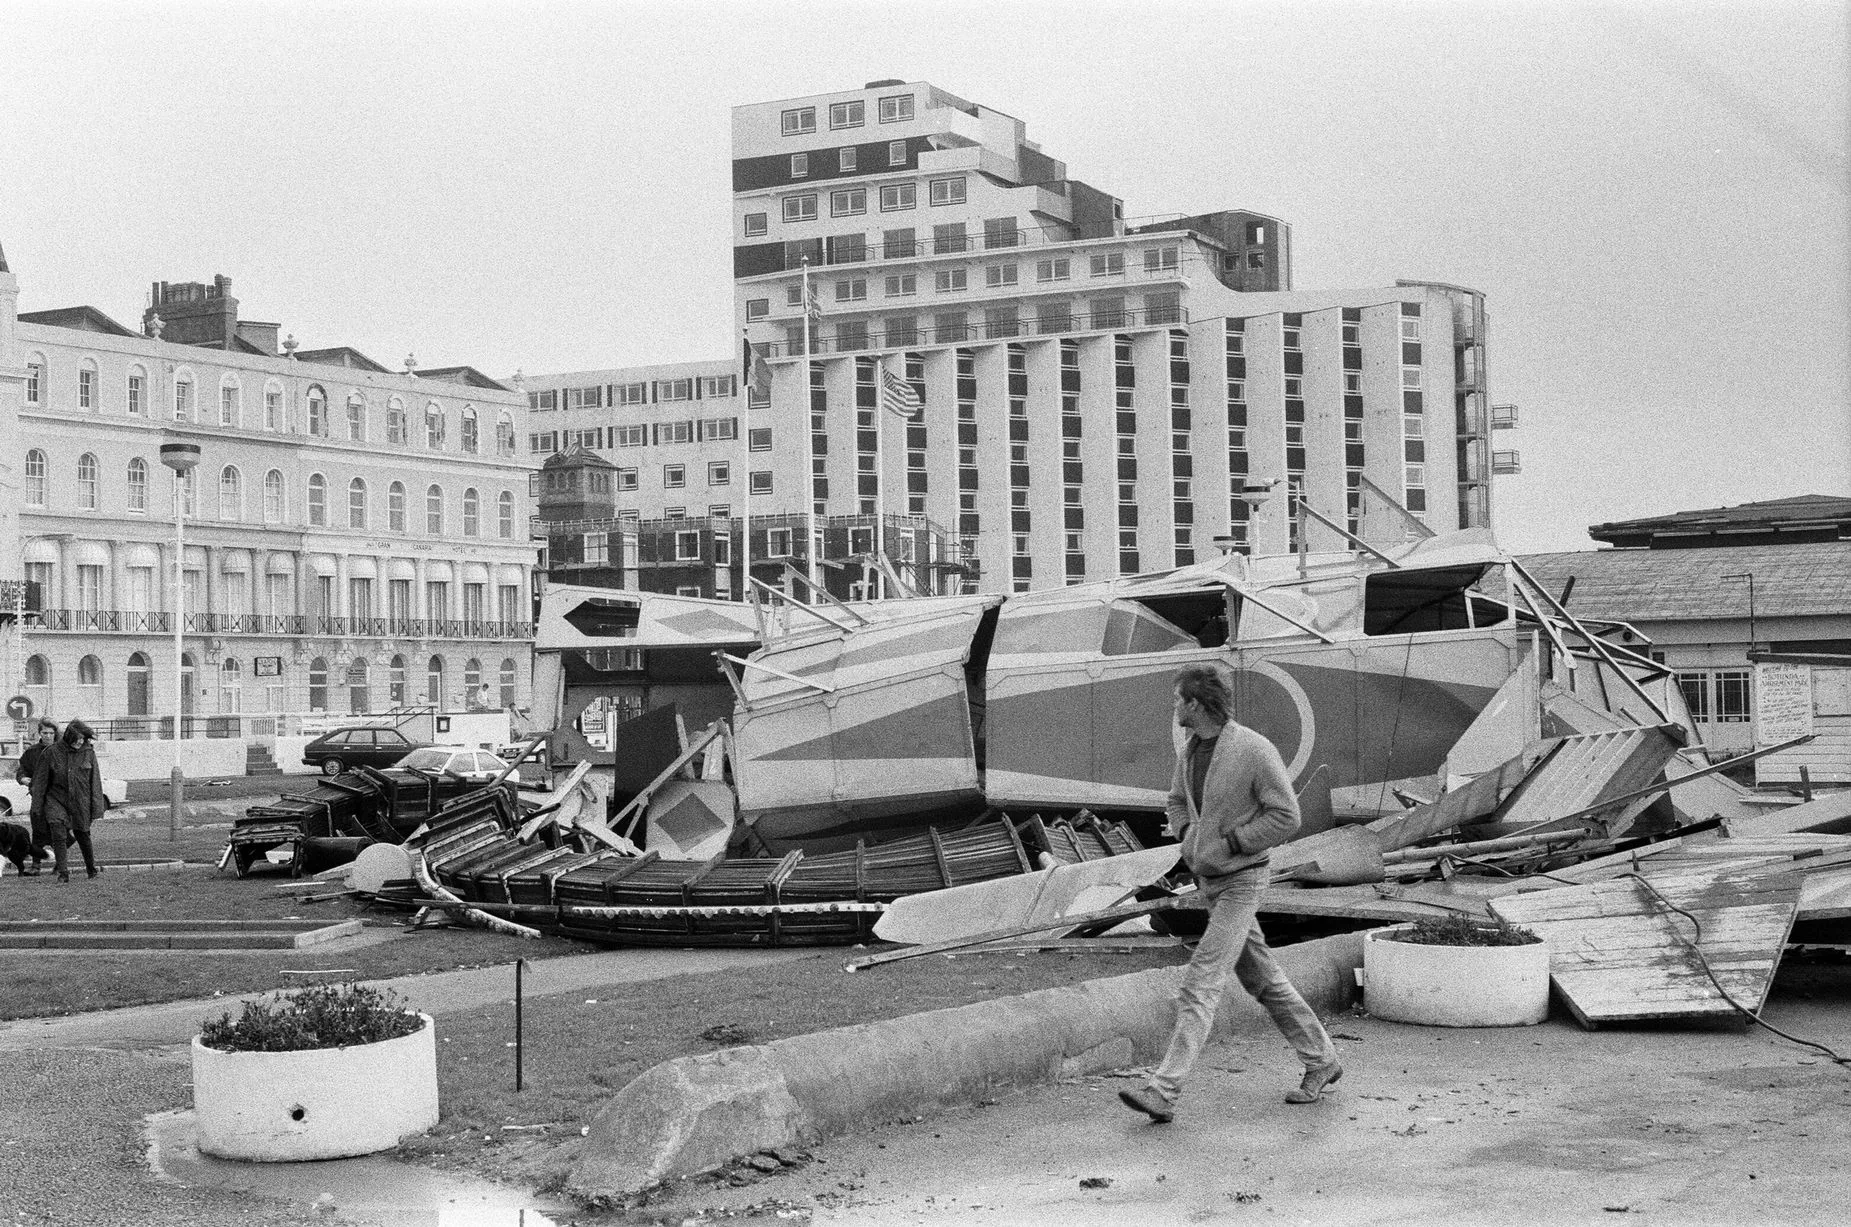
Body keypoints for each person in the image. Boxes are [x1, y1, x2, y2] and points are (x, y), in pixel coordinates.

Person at [1119, 663, 1341, 1124]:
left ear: (1195, 704)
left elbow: (1287, 816)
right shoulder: (1193, 748)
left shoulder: (1253, 749)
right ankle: (1322, 1060)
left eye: (1178, 699)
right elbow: (1177, 801)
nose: (1174, 706)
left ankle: (1164, 1090)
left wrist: (1234, 843)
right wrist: (1188, 837)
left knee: (1201, 980)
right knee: (1263, 980)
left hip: (1243, 880)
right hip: (1210, 881)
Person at [30, 718, 106, 883]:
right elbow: (40, 782)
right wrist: (36, 807)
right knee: (58, 832)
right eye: (77, 740)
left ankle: (91, 869)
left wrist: (96, 808)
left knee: (82, 833)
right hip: (56, 799)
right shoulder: (51, 752)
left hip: (81, 800)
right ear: (68, 738)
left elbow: (95, 782)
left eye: (82, 740)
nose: (80, 743)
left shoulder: (88, 753)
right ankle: (63, 874)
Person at [13, 718, 60, 875]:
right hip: (38, 799)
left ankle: (61, 863)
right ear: (39, 733)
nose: (47, 736)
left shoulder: (62, 751)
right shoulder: (32, 752)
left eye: (51, 733)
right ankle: (35, 866)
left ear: (55, 734)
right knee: (38, 832)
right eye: (44, 732)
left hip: (58, 800)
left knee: (60, 833)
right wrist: (24, 779)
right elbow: (21, 771)